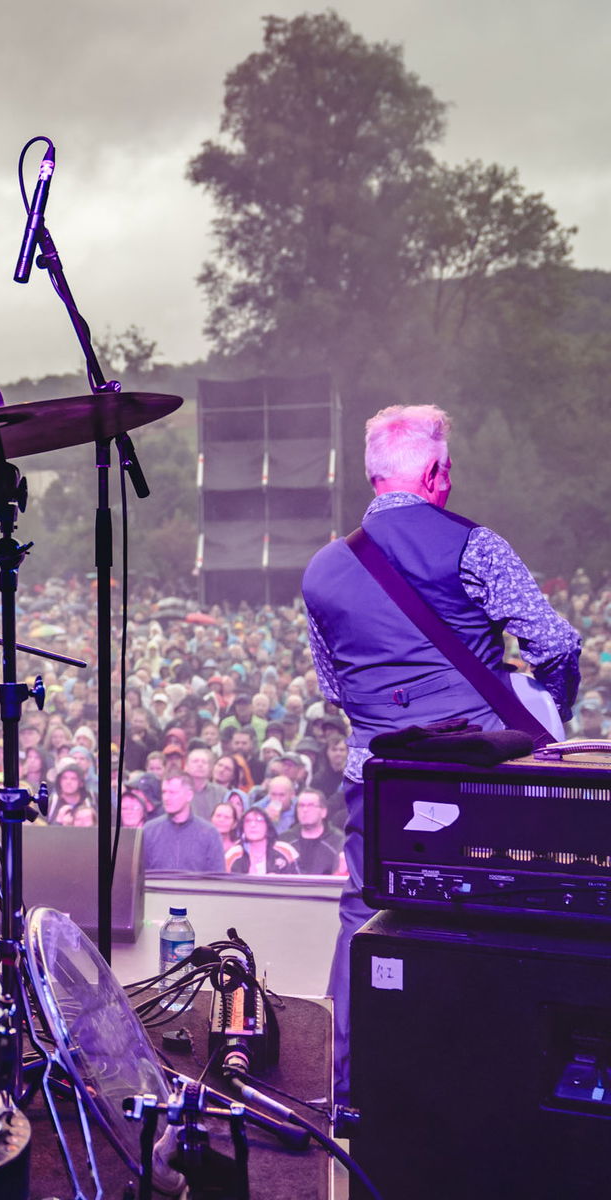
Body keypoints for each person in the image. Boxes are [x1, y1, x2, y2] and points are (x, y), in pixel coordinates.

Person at [302, 403, 581, 1105]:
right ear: (433, 472)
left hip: (381, 775)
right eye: (446, 469)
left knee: (364, 920)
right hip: (477, 779)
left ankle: (352, 1095)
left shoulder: (321, 572)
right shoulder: (474, 545)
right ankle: (484, 1096)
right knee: (487, 916)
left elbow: (335, 687)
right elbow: (558, 645)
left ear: (372, 478)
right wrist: (550, 704)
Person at [140, 771, 226, 873]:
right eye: (164, 792)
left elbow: (217, 878)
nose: (166, 798)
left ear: (189, 795)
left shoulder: (209, 834)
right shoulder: (149, 831)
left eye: (172, 792)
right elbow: (140, 875)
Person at [282, 788, 346, 875]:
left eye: (311, 805)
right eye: (301, 805)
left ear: (323, 812)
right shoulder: (285, 840)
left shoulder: (339, 841)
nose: (305, 810)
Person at [225, 807, 299, 875]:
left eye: (259, 820)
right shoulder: (232, 855)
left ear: (267, 825)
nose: (253, 825)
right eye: (248, 821)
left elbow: (299, 883)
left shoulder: (286, 851)